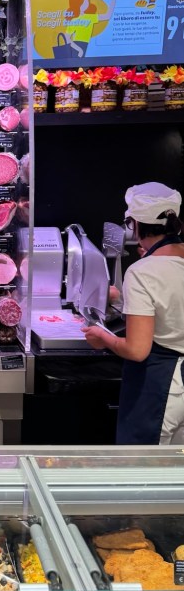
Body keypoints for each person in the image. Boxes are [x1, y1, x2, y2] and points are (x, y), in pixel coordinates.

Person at [84, 182, 184, 445]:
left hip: (163, 387)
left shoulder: (143, 271)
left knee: (143, 465)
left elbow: (137, 350)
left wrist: (103, 338)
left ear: (135, 224)